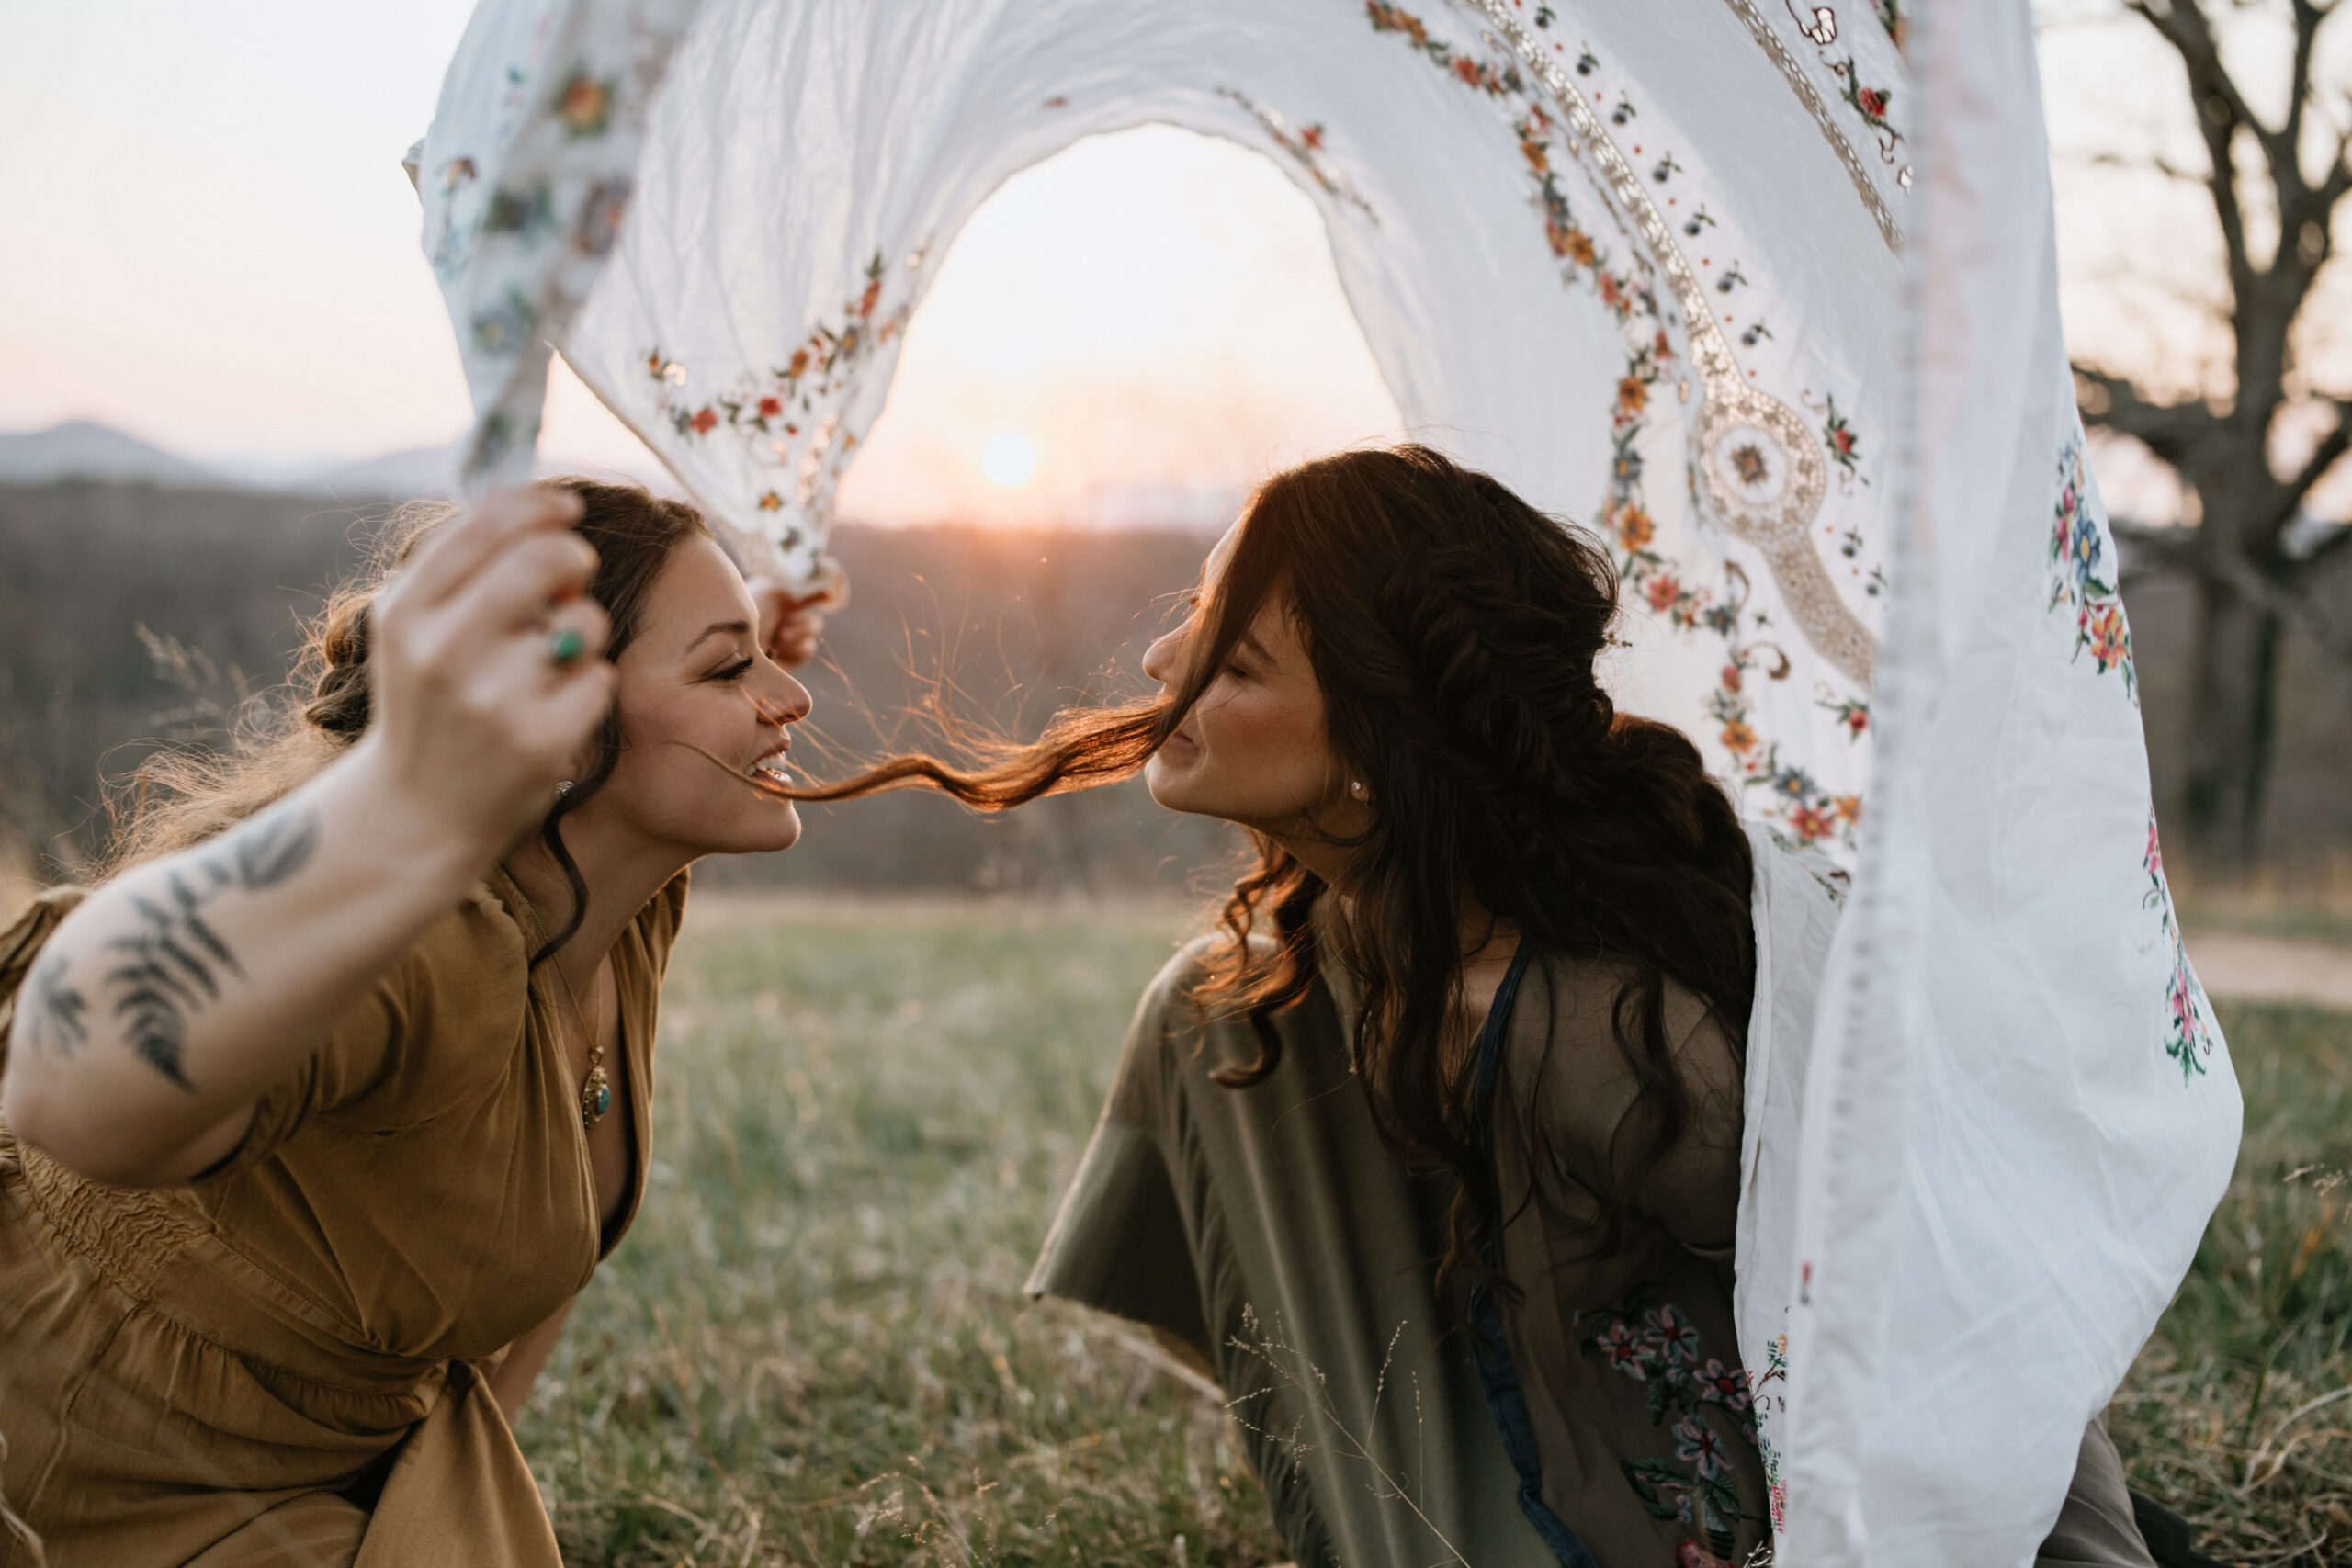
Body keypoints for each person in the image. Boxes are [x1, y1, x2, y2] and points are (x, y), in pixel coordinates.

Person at [791, 446, 2167, 1568]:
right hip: (1519, 1437)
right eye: (1195, 612)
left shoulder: (1607, 1033)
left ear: (1378, 761)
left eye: (1235, 657)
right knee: (1214, 1003)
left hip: (1746, 1532)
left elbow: (1961, 1311)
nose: (1161, 660)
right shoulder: (1334, 954)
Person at [0, 479, 821, 1567]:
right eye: (730, 666)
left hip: (338, 1471)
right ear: (561, 729)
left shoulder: (623, 910)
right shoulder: (428, 944)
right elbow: (67, 1080)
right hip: (99, 1472)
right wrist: (402, 796)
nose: (791, 698)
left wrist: (740, 629)